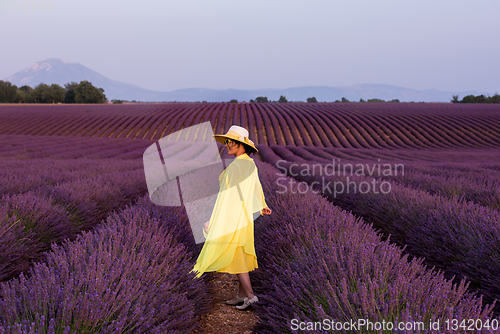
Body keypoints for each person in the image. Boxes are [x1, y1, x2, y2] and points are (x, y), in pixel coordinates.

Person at [191, 125, 272, 310]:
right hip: (242, 216)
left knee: (238, 257)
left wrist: (214, 220)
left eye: (230, 142)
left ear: (240, 144)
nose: (226, 145)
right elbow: (256, 187)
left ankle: (251, 296)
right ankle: (241, 296)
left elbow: (227, 196)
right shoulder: (249, 163)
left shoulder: (237, 165)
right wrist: (262, 205)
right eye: (226, 141)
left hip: (233, 216)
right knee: (240, 255)